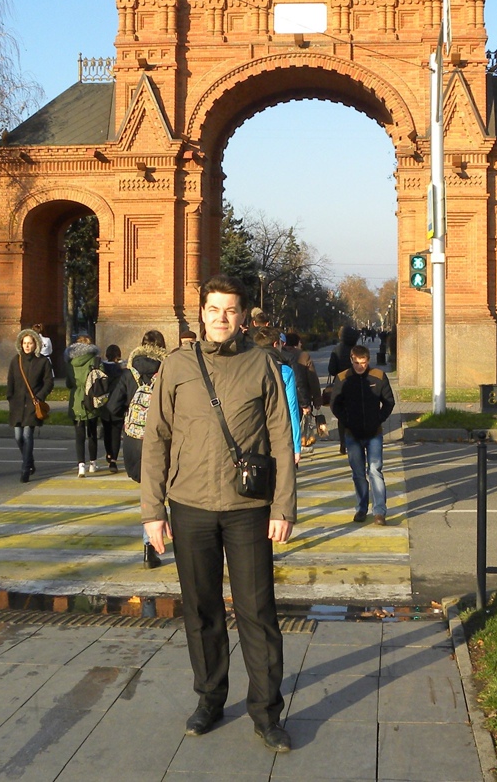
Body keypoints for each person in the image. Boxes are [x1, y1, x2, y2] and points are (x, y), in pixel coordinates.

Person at [142, 276, 296, 754]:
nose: (221, 318)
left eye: (230, 310)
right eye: (213, 309)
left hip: (248, 510)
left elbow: (281, 439)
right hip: (189, 508)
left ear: (243, 316)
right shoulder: (177, 365)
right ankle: (210, 698)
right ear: (201, 313)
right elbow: (156, 439)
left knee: (257, 614)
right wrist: (153, 511)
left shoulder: (262, 364)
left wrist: (283, 506)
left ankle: (267, 713)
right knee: (202, 611)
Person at [106, 330, 169, 563]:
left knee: (149, 491)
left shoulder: (128, 373)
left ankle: (150, 543)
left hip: (134, 440)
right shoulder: (168, 371)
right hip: (161, 439)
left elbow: (112, 407)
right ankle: (152, 544)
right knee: (163, 492)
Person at [330, 344, 395, 525]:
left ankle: (380, 511)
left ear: (369, 361)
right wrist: (347, 420)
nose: (360, 366)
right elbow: (335, 404)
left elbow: (389, 401)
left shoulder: (379, 377)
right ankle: (361, 508)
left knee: (375, 471)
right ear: (351, 360)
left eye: (364, 363)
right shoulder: (343, 378)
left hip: (374, 433)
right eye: (357, 363)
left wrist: (378, 419)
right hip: (352, 433)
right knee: (358, 473)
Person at [5, 327, 54, 483]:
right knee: (18, 436)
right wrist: (10, 397)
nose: (27, 346)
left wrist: (39, 396)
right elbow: (10, 381)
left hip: (33, 404)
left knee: (27, 435)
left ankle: (25, 468)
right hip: (17, 404)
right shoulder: (16, 360)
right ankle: (30, 460)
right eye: (24, 343)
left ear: (35, 344)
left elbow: (49, 382)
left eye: (30, 343)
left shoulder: (43, 362)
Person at [252, 327, 301, 466]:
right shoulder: (285, 371)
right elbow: (291, 409)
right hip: (278, 433)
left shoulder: (246, 368)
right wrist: (296, 446)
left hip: (252, 434)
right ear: (275, 344)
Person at [66, 333, 103, 477]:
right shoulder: (95, 359)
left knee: (79, 433)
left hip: (76, 399)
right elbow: (100, 378)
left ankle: (81, 465)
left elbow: (69, 383)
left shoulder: (70, 362)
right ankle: (93, 463)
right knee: (92, 432)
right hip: (91, 397)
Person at [98, 344, 124, 472]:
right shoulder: (121, 370)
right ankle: (113, 459)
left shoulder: (102, 368)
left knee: (107, 431)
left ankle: (108, 453)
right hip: (118, 404)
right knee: (116, 433)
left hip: (105, 404)